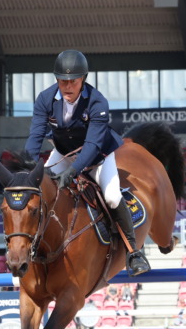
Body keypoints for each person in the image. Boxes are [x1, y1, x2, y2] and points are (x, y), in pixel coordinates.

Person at [24, 49, 150, 276]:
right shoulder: (45, 98)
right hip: (63, 153)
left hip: (98, 156)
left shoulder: (97, 101)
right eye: (63, 81)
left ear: (83, 79)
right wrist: (31, 167)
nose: (68, 86)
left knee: (111, 196)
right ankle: (32, 249)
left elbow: (92, 145)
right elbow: (35, 136)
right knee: (40, 190)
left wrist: (73, 171)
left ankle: (134, 252)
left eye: (73, 81)